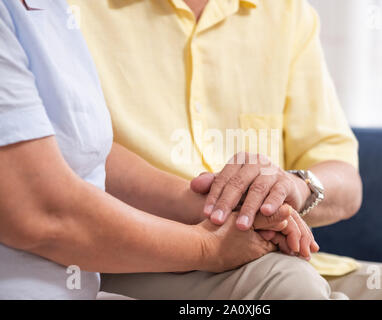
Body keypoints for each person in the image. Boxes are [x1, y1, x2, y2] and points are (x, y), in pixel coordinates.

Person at [68, 0, 382, 299]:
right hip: (141, 261)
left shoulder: (286, 11)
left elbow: (345, 180)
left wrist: (294, 187)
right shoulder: (68, 10)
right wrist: (234, 209)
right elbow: (71, 150)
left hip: (284, 256)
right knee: (290, 287)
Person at [0, 0, 311, 299]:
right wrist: (208, 246)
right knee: (291, 284)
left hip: (85, 286)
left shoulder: (54, 11)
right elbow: (41, 213)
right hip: (89, 274)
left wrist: (223, 205)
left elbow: (87, 153)